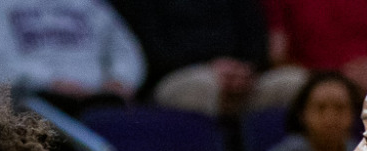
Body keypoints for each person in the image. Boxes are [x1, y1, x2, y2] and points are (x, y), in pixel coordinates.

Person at [118, 0, 293, 117]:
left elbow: (255, 35)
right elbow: (148, 50)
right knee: (203, 86)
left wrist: (244, 67)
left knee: (291, 83)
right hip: (176, 76)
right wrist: (211, 68)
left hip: (242, 75)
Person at [0, 0, 146, 107]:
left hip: (97, 99)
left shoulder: (90, 3)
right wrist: (50, 81)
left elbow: (126, 50)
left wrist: (120, 80)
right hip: (35, 99)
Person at [264, 0, 367, 101]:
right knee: (286, 81)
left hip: (361, 73)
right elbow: (277, 56)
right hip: (308, 76)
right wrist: (327, 75)